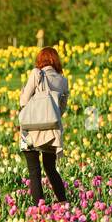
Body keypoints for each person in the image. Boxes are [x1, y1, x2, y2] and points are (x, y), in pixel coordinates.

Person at [17, 46, 69, 204]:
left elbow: (24, 101)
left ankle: (38, 207)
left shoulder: (36, 73)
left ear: (40, 60)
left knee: (34, 170)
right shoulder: (63, 80)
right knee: (51, 168)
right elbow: (62, 109)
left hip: (31, 130)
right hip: (51, 131)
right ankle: (63, 203)